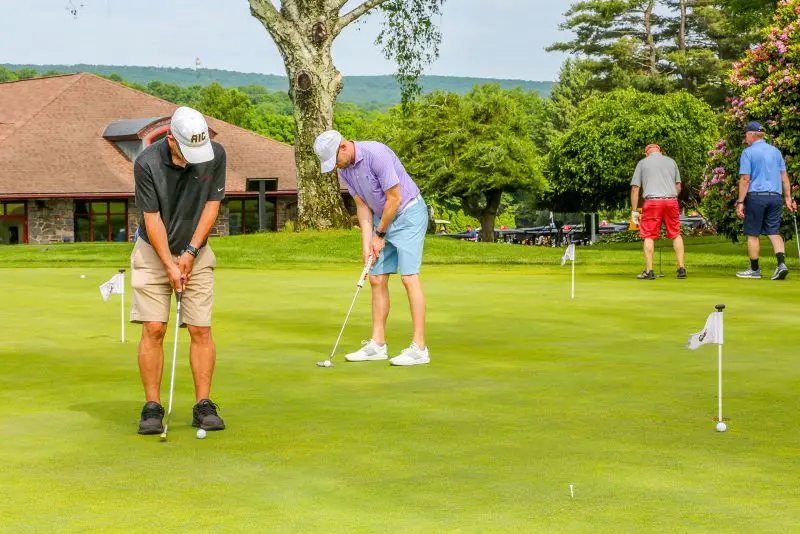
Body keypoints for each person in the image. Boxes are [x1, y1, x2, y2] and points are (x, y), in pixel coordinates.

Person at [131, 106, 227, 434]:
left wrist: (190, 252)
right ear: (171, 139)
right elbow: (152, 219)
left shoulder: (215, 155)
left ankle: (203, 405)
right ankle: (152, 407)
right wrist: (169, 264)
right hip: (152, 250)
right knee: (154, 328)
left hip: (196, 250)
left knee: (200, 328)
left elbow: (212, 206)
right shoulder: (146, 163)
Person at [313, 130, 430, 366]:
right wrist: (367, 243)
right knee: (376, 278)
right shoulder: (345, 170)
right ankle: (377, 344)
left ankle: (419, 348)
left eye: (334, 160)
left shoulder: (377, 153)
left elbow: (394, 198)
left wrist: (380, 234)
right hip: (382, 218)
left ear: (343, 147)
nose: (335, 166)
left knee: (409, 278)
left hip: (408, 214)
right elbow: (362, 206)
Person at [735, 121, 797, 280]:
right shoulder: (775, 152)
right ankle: (781, 264)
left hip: (756, 197)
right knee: (773, 231)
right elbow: (784, 178)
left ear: (752, 135)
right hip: (775, 197)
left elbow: (745, 179)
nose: (745, 138)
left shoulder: (748, 152)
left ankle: (755, 270)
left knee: (752, 233)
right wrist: (788, 199)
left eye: (746, 134)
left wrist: (740, 202)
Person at [630, 143, 686, 280]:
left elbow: (635, 189)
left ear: (646, 153)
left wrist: (634, 211)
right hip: (671, 201)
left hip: (652, 202)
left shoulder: (642, 163)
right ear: (660, 151)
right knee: (676, 233)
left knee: (649, 235)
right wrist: (669, 196)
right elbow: (678, 186)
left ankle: (649, 271)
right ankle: (681, 268)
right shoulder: (671, 162)